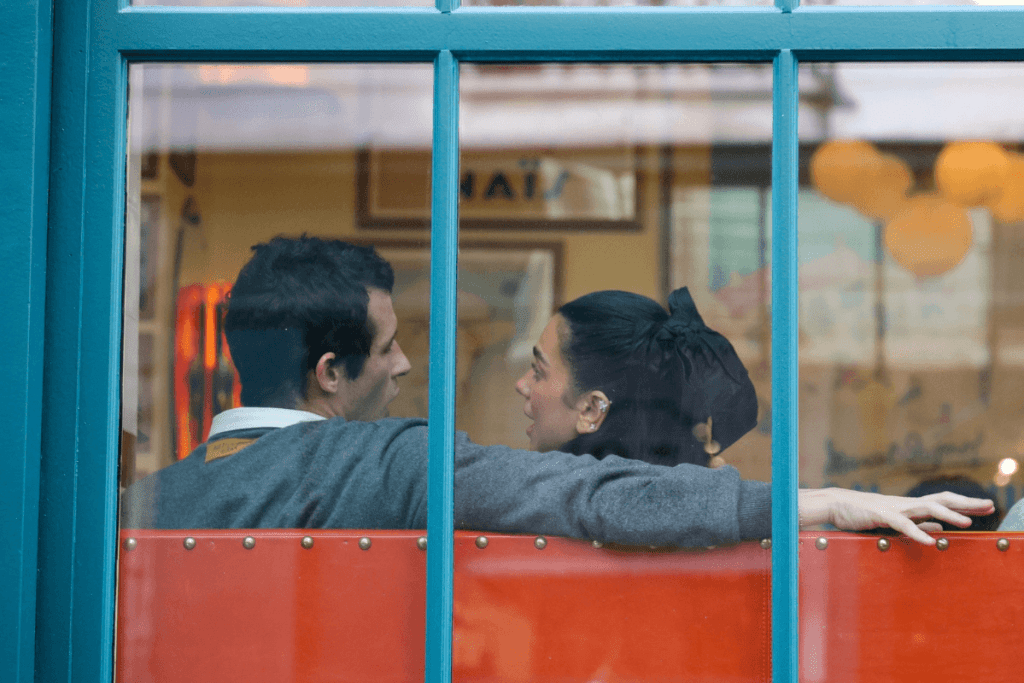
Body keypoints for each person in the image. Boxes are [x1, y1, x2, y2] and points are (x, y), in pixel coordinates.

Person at [121, 236, 993, 546]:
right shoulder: (388, 460)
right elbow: (595, 496)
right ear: (329, 375)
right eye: (387, 349)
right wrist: (823, 502)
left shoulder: (138, 503)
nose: (402, 368)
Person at [514, 286, 995, 543]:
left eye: (537, 371)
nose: (522, 385)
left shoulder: (535, 502)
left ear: (593, 408)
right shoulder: (721, 517)